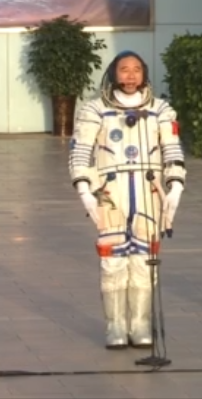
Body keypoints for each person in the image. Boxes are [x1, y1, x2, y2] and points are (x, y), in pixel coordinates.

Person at [68, 51, 186, 349]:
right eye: (124, 69)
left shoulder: (160, 110)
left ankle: (140, 324)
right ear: (113, 73)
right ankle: (115, 326)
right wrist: (84, 190)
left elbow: (172, 149)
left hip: (149, 192)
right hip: (110, 192)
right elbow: (81, 151)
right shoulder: (95, 110)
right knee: (113, 261)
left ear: (144, 74)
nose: (130, 76)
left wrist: (175, 186)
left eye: (136, 70)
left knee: (144, 261)